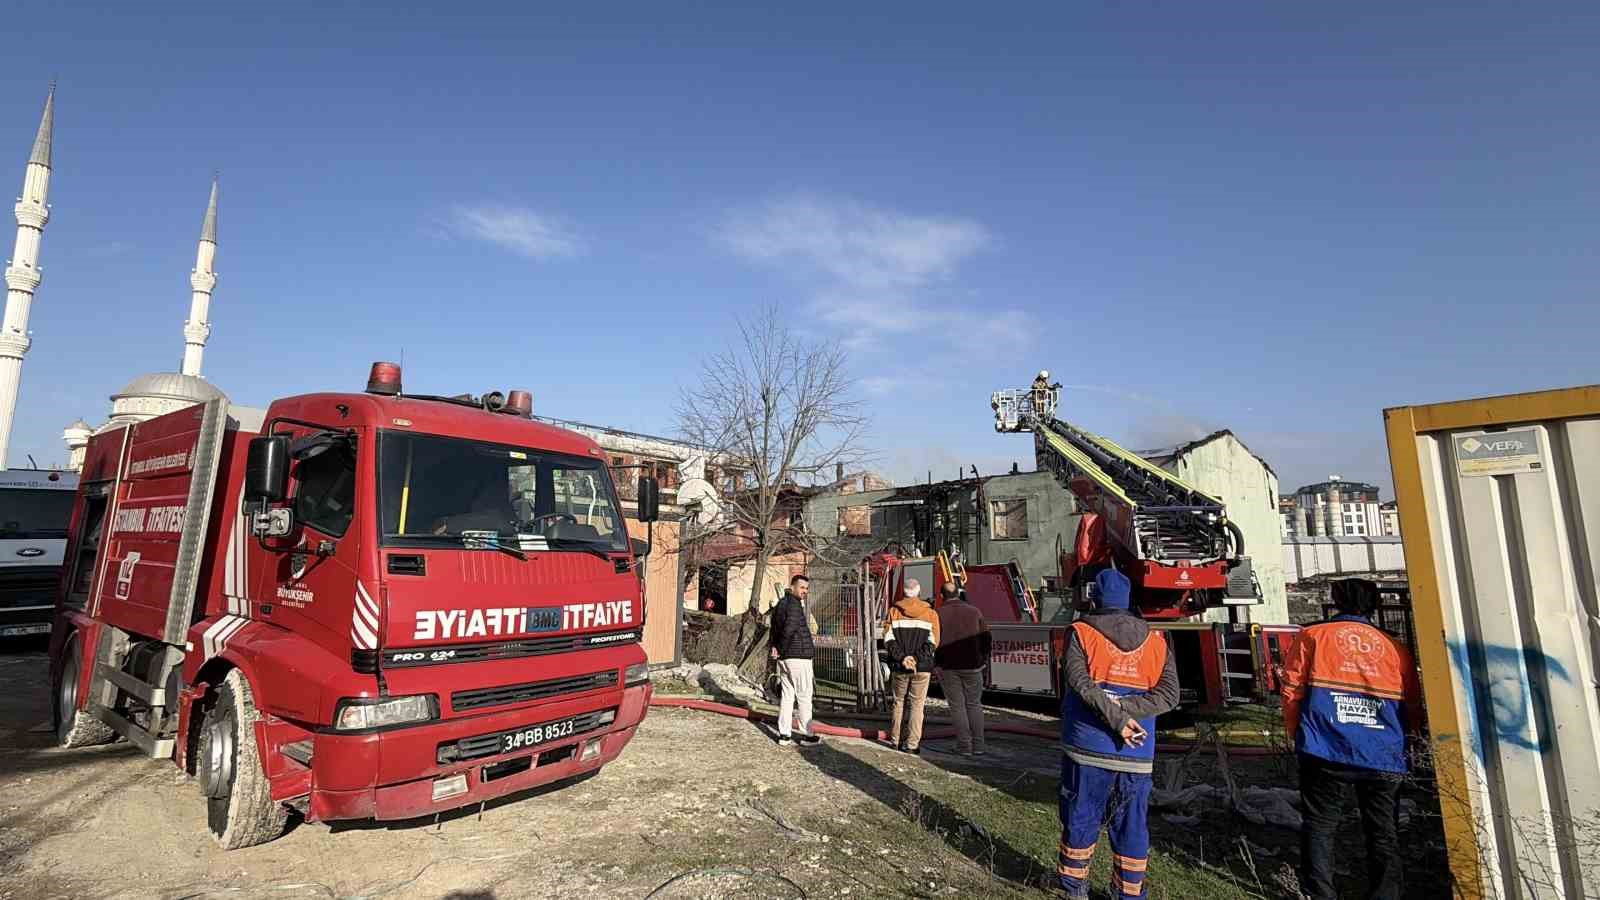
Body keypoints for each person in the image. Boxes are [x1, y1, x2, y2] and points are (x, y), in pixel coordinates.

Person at [1281, 578, 1422, 900]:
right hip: (1383, 753)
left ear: (1336, 600)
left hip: (1324, 748)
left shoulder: (1312, 636)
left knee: (1320, 825)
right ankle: (1386, 894)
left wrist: (1297, 734)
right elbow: (1412, 703)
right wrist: (1409, 741)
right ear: (1374, 604)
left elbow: (1291, 692)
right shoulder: (1394, 647)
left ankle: (1321, 893)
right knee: (1383, 831)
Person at [1058, 568, 1179, 900]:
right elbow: (1170, 696)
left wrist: (1115, 714)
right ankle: (1128, 892)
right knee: (1132, 824)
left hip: (1087, 746)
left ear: (1094, 597)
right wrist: (1127, 712)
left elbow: (1079, 683)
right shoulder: (1156, 641)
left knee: (1081, 815)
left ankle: (1073, 887)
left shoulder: (1081, 633)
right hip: (1136, 752)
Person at [935, 581, 992, 757]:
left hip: (948, 667)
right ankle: (979, 745)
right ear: (958, 593)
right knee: (974, 704)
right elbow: (987, 638)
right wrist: (983, 660)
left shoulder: (938, 613)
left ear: (942, 595)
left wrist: (936, 663)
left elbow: (934, 641)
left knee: (957, 707)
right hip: (973, 666)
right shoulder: (974, 612)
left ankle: (964, 746)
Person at [883, 578, 940, 754]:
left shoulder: (894, 611)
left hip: (899, 666)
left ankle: (895, 740)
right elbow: (933, 642)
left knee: (898, 702)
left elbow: (888, 639)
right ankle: (912, 745)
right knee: (917, 705)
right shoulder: (930, 614)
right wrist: (915, 659)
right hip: (922, 667)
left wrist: (903, 658)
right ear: (919, 591)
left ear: (904, 591)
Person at [768, 574, 820, 747]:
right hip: (799, 657)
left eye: (806, 588)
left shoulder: (781, 604)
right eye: (802, 587)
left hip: (785, 659)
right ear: (792, 587)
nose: (805, 591)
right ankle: (807, 735)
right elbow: (789, 630)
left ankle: (784, 735)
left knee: (787, 696)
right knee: (804, 696)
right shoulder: (794, 605)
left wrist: (776, 648)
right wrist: (780, 648)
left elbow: (774, 628)